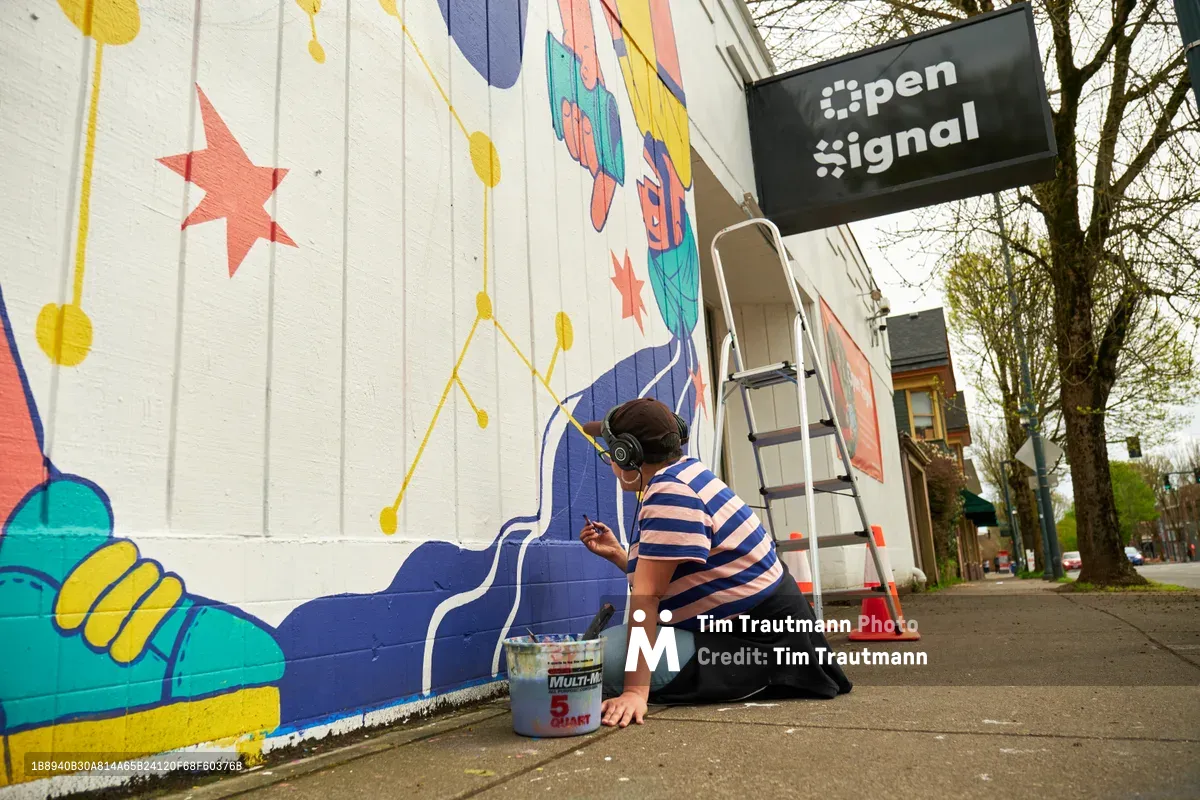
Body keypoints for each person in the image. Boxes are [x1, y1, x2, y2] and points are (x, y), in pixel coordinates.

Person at [578, 398, 852, 729]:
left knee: (600, 659)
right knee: (616, 648)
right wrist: (621, 557)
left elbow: (647, 597)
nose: (609, 461)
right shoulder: (688, 473)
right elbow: (684, 577)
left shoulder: (669, 494)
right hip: (770, 633)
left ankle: (770, 679)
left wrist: (636, 692)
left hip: (757, 647)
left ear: (627, 455)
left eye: (611, 452)